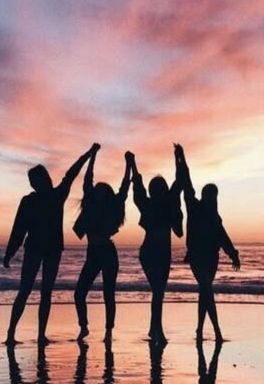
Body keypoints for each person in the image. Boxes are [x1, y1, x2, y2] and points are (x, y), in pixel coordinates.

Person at [3, 143, 100, 345]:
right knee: (31, 290)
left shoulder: (50, 197)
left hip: (49, 249)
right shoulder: (44, 198)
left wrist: (88, 155)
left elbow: (71, 174)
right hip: (43, 249)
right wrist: (10, 252)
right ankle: (16, 334)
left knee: (37, 291)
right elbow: (18, 229)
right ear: (38, 182)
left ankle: (32, 335)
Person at [174, 143, 240, 341]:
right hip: (196, 257)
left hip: (212, 258)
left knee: (205, 293)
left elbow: (222, 236)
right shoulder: (193, 206)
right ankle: (217, 332)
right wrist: (180, 159)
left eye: (214, 194)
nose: (211, 197)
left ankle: (200, 330)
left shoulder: (215, 217)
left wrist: (233, 254)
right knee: (207, 289)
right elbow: (186, 182)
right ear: (204, 195)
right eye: (209, 194)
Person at [73, 149, 131, 341]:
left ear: (106, 195)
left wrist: (129, 164)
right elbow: (87, 180)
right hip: (93, 253)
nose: (97, 192)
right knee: (79, 292)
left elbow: (124, 189)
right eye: (96, 191)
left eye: (101, 191)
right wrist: (92, 156)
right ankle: (84, 327)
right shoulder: (89, 205)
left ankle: (108, 332)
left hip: (108, 252)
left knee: (109, 294)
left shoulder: (112, 207)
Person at [127, 150, 184, 344]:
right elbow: (138, 185)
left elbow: (179, 182)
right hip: (150, 253)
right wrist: (133, 164)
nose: (158, 192)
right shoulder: (149, 204)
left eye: (160, 189)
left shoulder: (166, 203)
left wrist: (179, 159)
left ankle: (154, 328)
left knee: (158, 292)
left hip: (163, 254)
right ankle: (157, 330)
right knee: (159, 291)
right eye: (156, 189)